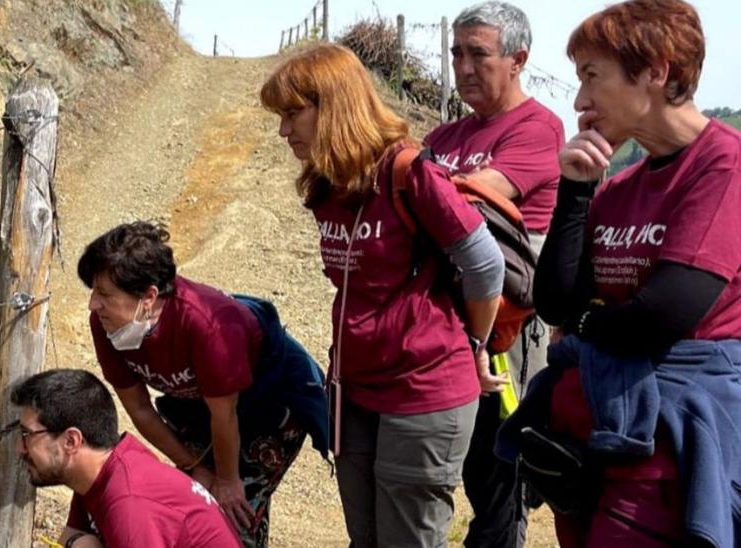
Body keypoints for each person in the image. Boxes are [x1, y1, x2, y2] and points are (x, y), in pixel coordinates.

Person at [506, 0, 741, 545]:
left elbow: (664, 315)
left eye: (592, 76)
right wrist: (575, 191)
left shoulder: (723, 166)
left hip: (667, 448)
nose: (580, 100)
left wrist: (587, 329)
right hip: (596, 437)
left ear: (656, 71)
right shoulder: (619, 186)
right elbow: (556, 304)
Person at [261, 43, 506, 546]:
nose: (284, 130)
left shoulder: (410, 173)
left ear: (333, 105)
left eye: (292, 113)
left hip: (423, 392)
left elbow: (484, 264)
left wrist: (477, 345)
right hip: (355, 394)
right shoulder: (330, 186)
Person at [78, 222, 328, 548]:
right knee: (191, 503)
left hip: (268, 403)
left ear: (149, 297)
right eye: (93, 292)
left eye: (105, 294)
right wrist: (194, 467)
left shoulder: (207, 325)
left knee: (231, 513)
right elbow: (139, 407)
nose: (93, 305)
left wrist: (226, 480)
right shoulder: (106, 323)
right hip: (198, 409)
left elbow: (225, 415)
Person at [425, 3, 565, 546]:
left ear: (518, 59)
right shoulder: (445, 133)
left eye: (477, 54)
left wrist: (421, 187)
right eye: (456, 52)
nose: (461, 66)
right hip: (441, 331)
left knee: (496, 485)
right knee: (431, 481)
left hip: (504, 335)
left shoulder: (538, 129)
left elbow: (466, 201)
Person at [12, 369, 241, 548]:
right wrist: (75, 543)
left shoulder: (130, 504)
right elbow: (70, 537)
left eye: (27, 435)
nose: (18, 449)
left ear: (71, 441)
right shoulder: (104, 469)